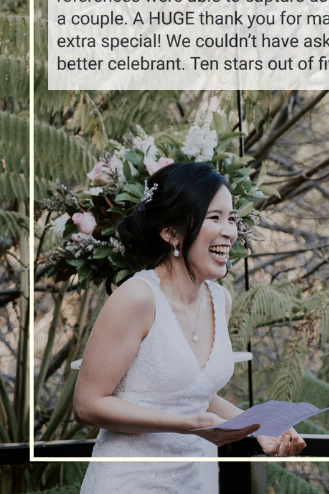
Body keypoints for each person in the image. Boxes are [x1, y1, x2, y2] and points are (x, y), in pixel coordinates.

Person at [75, 162, 305, 494]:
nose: (230, 231)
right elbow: (87, 405)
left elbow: (194, 395)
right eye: (215, 218)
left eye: (231, 218)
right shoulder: (137, 298)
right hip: (128, 482)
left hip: (195, 480)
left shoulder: (220, 299)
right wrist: (188, 426)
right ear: (171, 233)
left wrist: (261, 425)